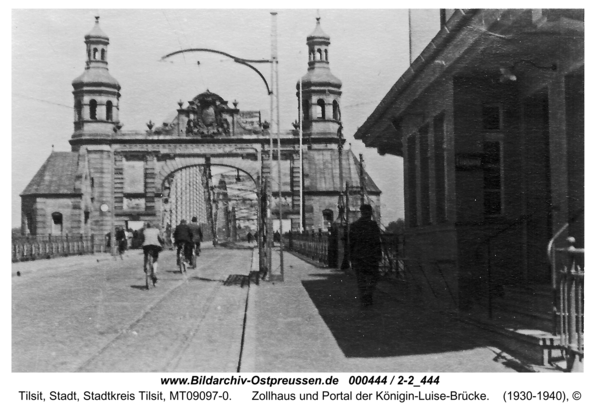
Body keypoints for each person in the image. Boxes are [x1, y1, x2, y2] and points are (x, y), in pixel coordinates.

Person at [349, 204, 382, 307]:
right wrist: (379, 255)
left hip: (360, 256)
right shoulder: (373, 225)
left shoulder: (355, 225)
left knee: (362, 279)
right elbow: (377, 241)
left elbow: (351, 243)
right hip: (370, 256)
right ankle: (368, 295)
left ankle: (365, 297)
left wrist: (351, 257)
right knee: (373, 277)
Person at [141, 222, 164, 286]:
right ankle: (154, 272)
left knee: (146, 255)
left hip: (146, 246)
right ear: (153, 226)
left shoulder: (144, 231)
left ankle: (145, 266)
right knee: (155, 259)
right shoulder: (157, 230)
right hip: (155, 246)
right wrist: (162, 242)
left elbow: (142, 239)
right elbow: (160, 239)